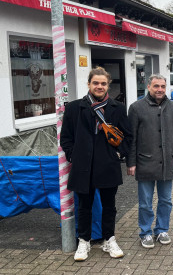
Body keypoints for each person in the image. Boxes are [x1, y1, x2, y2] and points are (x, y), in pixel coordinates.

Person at [61, 67, 131, 261]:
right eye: (95, 83)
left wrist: (118, 153)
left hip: (108, 164)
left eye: (103, 83)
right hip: (83, 166)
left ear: (108, 85)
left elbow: (128, 136)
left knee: (109, 206)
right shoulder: (74, 108)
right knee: (84, 206)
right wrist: (73, 155)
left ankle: (109, 239)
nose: (99, 86)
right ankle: (84, 241)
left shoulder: (117, 108)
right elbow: (66, 137)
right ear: (89, 84)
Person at [126, 74, 173, 248]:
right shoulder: (136, 108)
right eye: (156, 86)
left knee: (166, 200)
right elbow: (132, 138)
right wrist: (131, 162)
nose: (160, 90)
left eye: (163, 86)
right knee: (145, 202)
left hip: (168, 162)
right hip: (145, 162)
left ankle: (161, 229)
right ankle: (145, 232)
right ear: (149, 87)